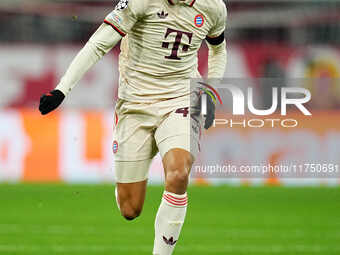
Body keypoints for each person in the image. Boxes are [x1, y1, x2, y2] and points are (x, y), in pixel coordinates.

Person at [39, 0, 227, 254]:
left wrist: (210, 93)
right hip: (135, 105)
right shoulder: (140, 2)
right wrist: (63, 89)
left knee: (179, 173)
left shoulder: (213, 7)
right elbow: (99, 43)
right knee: (130, 209)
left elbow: (218, 50)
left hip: (180, 98)